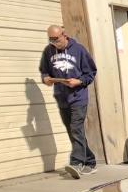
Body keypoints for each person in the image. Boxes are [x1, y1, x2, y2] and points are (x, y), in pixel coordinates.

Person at [39, 25, 97, 178]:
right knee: (73, 132)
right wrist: (46, 78)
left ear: (64, 35)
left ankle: (76, 163)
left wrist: (78, 82)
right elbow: (44, 70)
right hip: (61, 96)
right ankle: (90, 161)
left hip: (78, 97)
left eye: (56, 39)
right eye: (51, 40)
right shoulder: (48, 51)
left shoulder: (79, 50)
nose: (54, 43)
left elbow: (91, 72)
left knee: (76, 128)